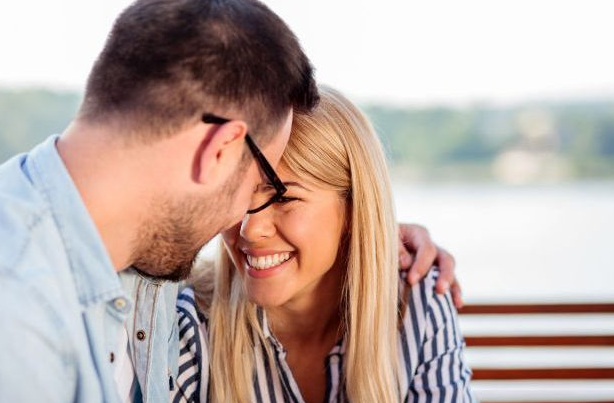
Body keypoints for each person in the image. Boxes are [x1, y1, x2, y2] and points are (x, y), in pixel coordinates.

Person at [0, 1, 459, 402]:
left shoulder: (108, 269)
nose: (246, 223)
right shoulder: (22, 310)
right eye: (261, 181)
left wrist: (372, 237)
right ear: (219, 151)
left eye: (279, 196)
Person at [174, 87, 476, 403]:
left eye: (284, 198)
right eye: (235, 194)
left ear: (354, 207)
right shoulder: (191, 324)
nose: (251, 229)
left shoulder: (417, 305)